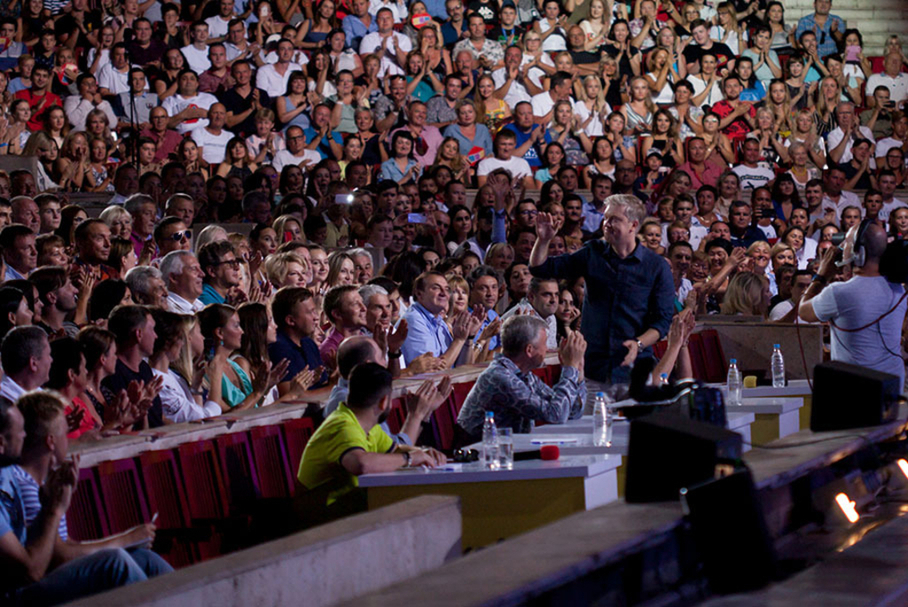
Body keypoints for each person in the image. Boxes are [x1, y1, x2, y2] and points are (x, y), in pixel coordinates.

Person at [529, 195, 674, 398]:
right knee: (592, 428)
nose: (606, 224)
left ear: (633, 225)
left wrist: (639, 343)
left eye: (614, 219)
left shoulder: (656, 267)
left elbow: (663, 321)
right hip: (594, 371)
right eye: (605, 218)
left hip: (634, 371)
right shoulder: (592, 253)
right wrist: (543, 240)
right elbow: (540, 268)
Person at [296, 362, 445, 519]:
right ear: (384, 402)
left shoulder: (368, 426)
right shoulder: (342, 425)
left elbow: (395, 449)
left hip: (345, 510)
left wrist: (423, 452)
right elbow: (361, 464)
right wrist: (410, 459)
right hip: (316, 520)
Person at [799, 221, 907, 386]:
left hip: (854, 388)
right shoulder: (899, 290)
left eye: (847, 244)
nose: (842, 248)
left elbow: (803, 312)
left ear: (859, 252)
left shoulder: (839, 292)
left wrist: (821, 275)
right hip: (893, 384)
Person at [456, 315, 585, 442]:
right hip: (479, 455)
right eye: (544, 344)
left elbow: (571, 411)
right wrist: (570, 368)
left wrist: (578, 373)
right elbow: (556, 414)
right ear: (529, 350)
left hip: (507, 449)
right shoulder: (499, 377)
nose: (547, 349)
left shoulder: (524, 375)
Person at [500, 276, 559, 349]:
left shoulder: (551, 316)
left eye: (556, 294)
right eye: (547, 294)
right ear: (531, 297)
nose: (553, 300)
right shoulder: (521, 315)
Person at [0, 325, 51, 402]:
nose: (51, 360)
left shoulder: (42, 396)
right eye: (48, 354)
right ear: (33, 363)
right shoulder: (6, 406)